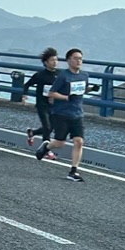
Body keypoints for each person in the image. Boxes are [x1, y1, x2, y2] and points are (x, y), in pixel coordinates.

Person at [36, 47, 89, 181]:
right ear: (68, 60)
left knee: (79, 142)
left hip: (77, 113)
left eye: (80, 59)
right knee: (60, 143)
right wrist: (66, 97)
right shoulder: (63, 76)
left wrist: (91, 89)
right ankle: (46, 147)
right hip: (61, 113)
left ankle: (73, 171)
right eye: (75, 58)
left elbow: (80, 90)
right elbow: (52, 93)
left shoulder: (84, 75)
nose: (78, 61)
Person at [22, 48, 59, 153]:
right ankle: (46, 151)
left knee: (51, 128)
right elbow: (27, 85)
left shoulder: (60, 75)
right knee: (47, 127)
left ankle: (32, 133)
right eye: (52, 60)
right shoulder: (40, 75)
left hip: (55, 105)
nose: (55, 62)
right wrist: (24, 95)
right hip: (42, 105)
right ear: (46, 62)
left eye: (56, 60)